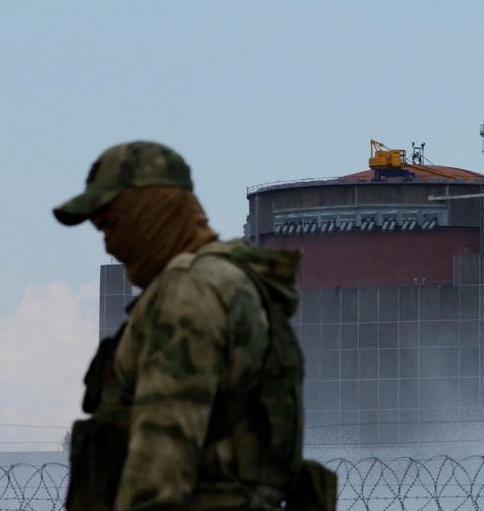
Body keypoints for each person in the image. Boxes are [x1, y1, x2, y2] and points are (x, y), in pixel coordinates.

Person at [54, 141, 333, 511]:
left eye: (111, 225)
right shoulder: (231, 283)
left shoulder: (188, 291)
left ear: (153, 211)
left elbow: (161, 460)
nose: (111, 245)